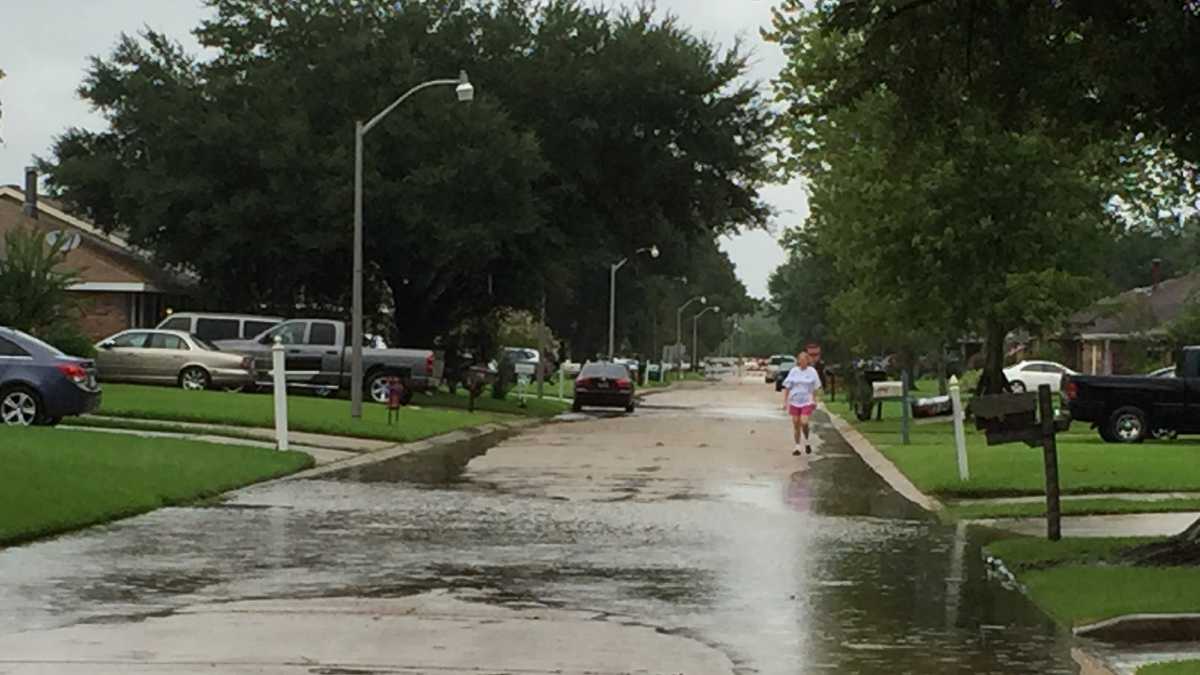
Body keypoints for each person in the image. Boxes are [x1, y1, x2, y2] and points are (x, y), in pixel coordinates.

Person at [782, 352, 822, 456]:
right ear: (798, 361)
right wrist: (785, 402)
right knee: (796, 423)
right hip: (795, 400)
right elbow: (787, 386)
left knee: (804, 422)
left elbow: (815, 387)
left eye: (805, 360)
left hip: (807, 401)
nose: (803, 362)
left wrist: (814, 400)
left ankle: (807, 440)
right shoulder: (794, 371)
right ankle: (797, 446)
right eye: (801, 360)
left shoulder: (812, 372)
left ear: (808, 361)